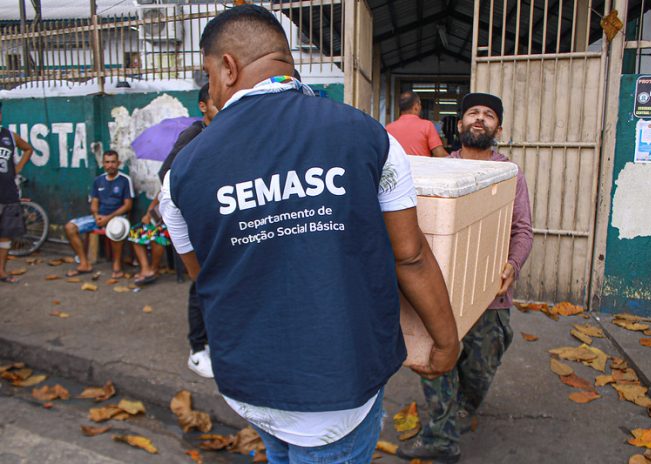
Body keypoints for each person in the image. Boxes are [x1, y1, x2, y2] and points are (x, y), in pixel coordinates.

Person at [160, 5, 460, 462]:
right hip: (341, 386)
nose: (213, 91)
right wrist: (445, 341)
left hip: (251, 383)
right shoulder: (369, 137)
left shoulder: (179, 174)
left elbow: (208, 276)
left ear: (228, 66)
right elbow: (411, 257)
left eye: (209, 73)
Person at [397, 93, 534, 463]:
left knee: (479, 370)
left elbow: (522, 230)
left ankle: (462, 406)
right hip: (440, 296)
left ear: (498, 128)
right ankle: (441, 438)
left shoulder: (509, 175)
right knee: (435, 364)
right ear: (459, 125)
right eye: (472, 113)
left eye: (488, 115)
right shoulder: (437, 170)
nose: (479, 119)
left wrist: (512, 265)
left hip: (491, 295)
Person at [158, 83, 219, 378]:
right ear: (203, 107)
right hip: (196, 225)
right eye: (216, 103)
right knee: (200, 286)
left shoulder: (222, 133)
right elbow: (167, 176)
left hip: (217, 224)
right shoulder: (194, 135)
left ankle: (215, 343)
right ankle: (197, 350)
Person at [65, 150, 134, 278]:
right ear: (103, 164)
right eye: (107, 162)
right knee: (70, 227)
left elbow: (128, 205)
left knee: (116, 229)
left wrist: (108, 218)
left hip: (117, 217)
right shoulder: (98, 180)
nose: (110, 165)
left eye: (113, 162)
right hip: (100, 217)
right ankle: (84, 263)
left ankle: (117, 264)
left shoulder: (125, 180)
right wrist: (96, 215)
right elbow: (94, 203)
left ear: (118, 163)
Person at [0, 101, 33, 283]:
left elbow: (28, 149)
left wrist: (18, 167)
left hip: (8, 194)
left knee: (5, 236)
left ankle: (2, 271)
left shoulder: (10, 136)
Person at [386, 91, 448, 157]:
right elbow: (439, 154)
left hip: (397, 167)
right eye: (420, 104)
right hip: (421, 167)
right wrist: (455, 158)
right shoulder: (427, 126)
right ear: (416, 106)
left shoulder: (388, 129)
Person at [127, 196, 170, 286]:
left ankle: (154, 269)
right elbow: (156, 201)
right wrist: (148, 215)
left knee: (157, 235)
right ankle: (146, 268)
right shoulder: (166, 185)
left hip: (174, 220)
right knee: (135, 232)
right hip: (159, 217)